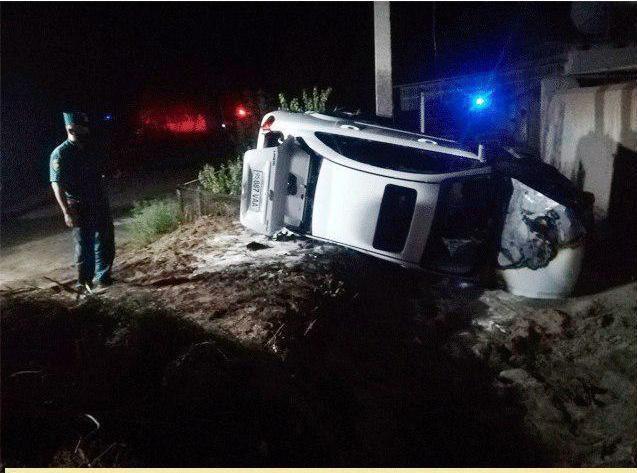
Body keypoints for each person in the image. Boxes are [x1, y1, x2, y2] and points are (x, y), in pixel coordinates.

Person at [50, 112, 114, 291]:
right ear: (70, 129)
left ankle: (103, 277)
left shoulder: (90, 148)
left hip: (99, 201)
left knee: (105, 240)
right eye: (81, 129)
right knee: (84, 245)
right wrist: (66, 211)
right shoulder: (60, 154)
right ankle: (84, 282)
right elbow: (57, 185)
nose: (86, 132)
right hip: (78, 205)